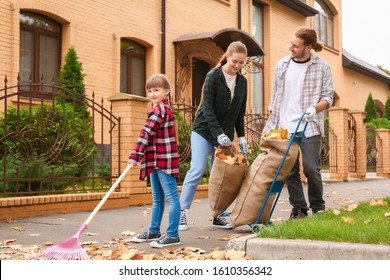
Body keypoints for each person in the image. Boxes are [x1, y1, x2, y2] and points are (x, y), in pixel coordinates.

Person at [263, 27, 334, 219]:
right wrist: (271, 113)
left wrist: (315, 108)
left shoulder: (322, 66)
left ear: (308, 47)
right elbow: (276, 94)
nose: (291, 48)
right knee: (290, 170)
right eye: (291, 44)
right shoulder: (281, 65)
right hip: (284, 127)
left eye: (296, 46)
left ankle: (318, 207)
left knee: (311, 168)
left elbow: (329, 97)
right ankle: (299, 208)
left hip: (309, 125)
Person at [179, 41, 249, 231]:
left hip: (224, 134)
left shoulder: (243, 82)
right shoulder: (213, 76)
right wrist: (219, 134)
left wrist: (241, 138)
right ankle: (181, 212)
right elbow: (207, 109)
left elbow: (239, 113)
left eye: (241, 63)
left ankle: (218, 215)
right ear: (227, 55)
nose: (237, 66)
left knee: (221, 176)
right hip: (203, 130)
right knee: (197, 169)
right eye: (234, 61)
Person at [128, 73, 181, 248]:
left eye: (156, 90)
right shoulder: (158, 110)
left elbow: (145, 133)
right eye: (149, 90)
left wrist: (135, 156)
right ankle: (154, 231)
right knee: (157, 199)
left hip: (163, 160)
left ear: (167, 91)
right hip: (155, 159)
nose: (152, 94)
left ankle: (173, 234)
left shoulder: (160, 110)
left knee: (171, 198)